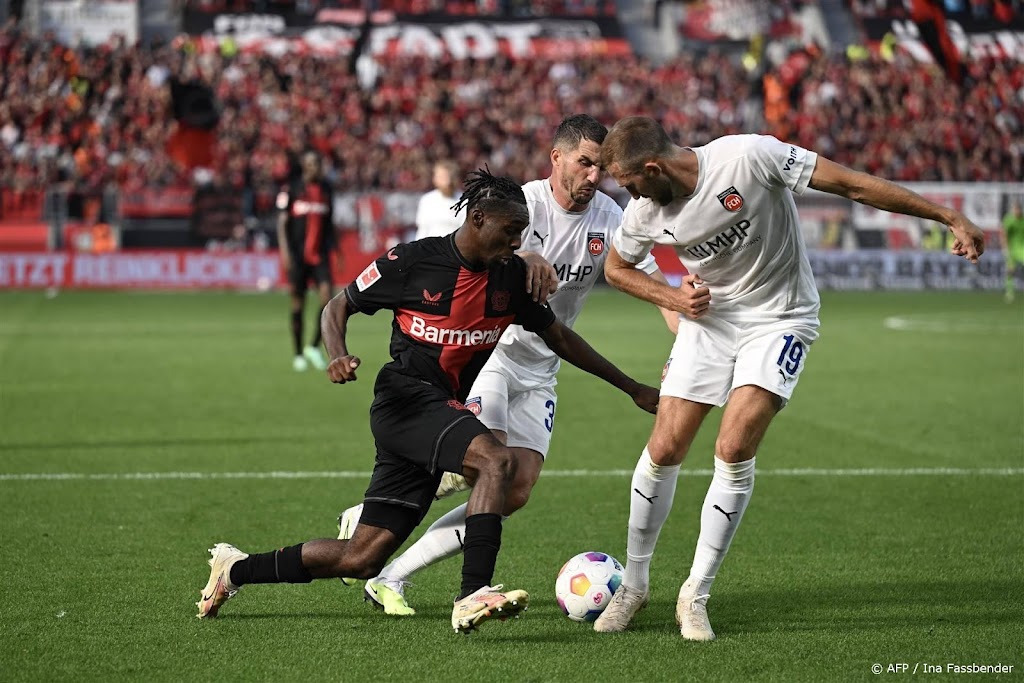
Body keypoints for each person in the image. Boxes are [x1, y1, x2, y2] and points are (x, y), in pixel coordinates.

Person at [196, 169, 661, 634]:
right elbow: (338, 304)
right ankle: (472, 594)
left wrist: (631, 386)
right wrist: (337, 355)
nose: (516, 242)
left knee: (360, 557)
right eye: (509, 232)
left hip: (437, 412)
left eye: (522, 233)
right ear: (477, 218)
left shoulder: (510, 278)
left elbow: (560, 337)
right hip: (403, 403)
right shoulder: (413, 262)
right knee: (496, 462)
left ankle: (235, 569)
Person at [592, 116, 985, 640]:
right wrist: (672, 298)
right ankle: (635, 588)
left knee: (733, 448)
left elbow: (850, 184)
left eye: (629, 182)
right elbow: (617, 269)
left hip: (781, 318)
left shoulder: (749, 157)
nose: (628, 194)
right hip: (708, 322)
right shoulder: (646, 212)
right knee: (664, 447)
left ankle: (695, 595)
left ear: (653, 167)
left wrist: (946, 215)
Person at [335, 114, 680, 617]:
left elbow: (652, 284)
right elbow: (485, 251)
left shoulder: (611, 217)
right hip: (489, 355)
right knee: (486, 461)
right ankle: (404, 538)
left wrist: (685, 331)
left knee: (514, 490)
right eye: (584, 163)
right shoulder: (521, 204)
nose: (593, 176)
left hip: (543, 368)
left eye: (600, 168)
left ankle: (389, 572)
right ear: (555, 158)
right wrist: (530, 257)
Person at [276, 150, 336, 372]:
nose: (313, 168)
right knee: (297, 304)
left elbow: (329, 224)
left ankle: (313, 346)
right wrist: (285, 253)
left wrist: (336, 251)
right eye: (309, 164)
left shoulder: (327, 190)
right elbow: (282, 224)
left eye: (317, 164)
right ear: (304, 166)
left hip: (319, 256)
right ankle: (298, 353)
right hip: (298, 256)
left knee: (327, 299)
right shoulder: (291, 190)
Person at [414, 160, 463, 241]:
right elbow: (422, 230)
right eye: (439, 176)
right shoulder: (427, 200)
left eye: (444, 176)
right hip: (431, 250)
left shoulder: (465, 201)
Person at [1001, 199, 1024, 303]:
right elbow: (1004, 234)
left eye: (1018, 210)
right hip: (1011, 249)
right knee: (1010, 270)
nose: (1017, 212)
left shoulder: (1022, 220)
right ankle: (1009, 292)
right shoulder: (1009, 220)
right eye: (1015, 210)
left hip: (1021, 248)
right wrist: (1005, 248)